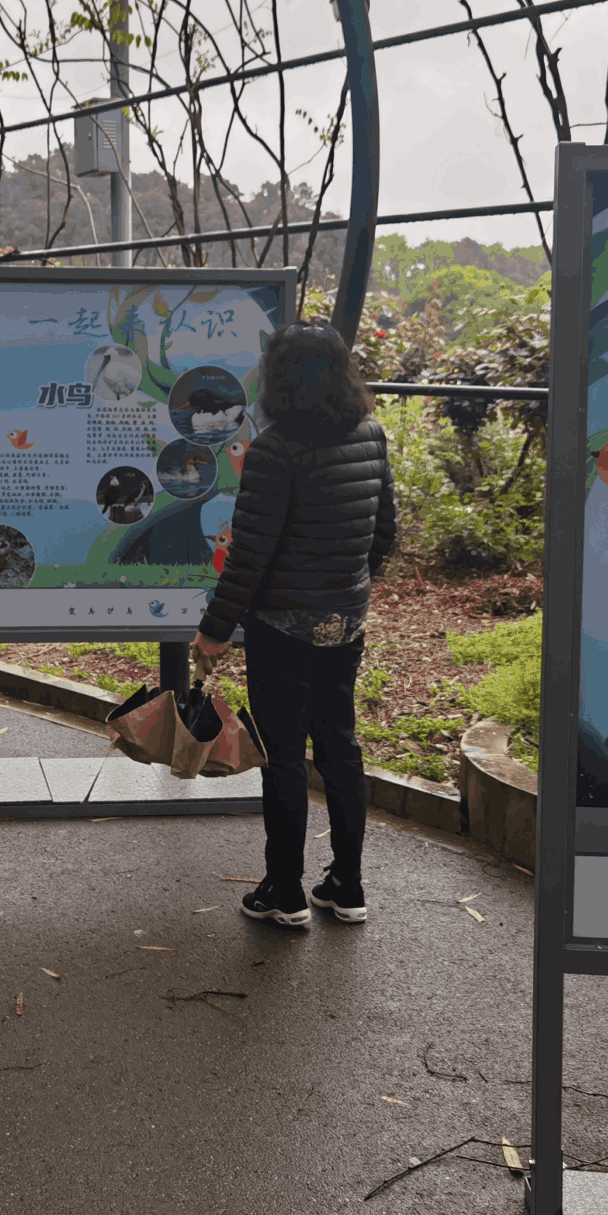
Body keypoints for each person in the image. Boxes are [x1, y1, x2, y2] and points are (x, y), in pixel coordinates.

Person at [192, 318, 398, 927]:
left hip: (282, 628)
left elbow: (250, 557)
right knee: (340, 745)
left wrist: (215, 629)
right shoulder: (371, 434)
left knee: (282, 755)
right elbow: (384, 531)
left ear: (280, 380)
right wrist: (348, 588)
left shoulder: (275, 451)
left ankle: (283, 891)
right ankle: (347, 886)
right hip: (345, 622)